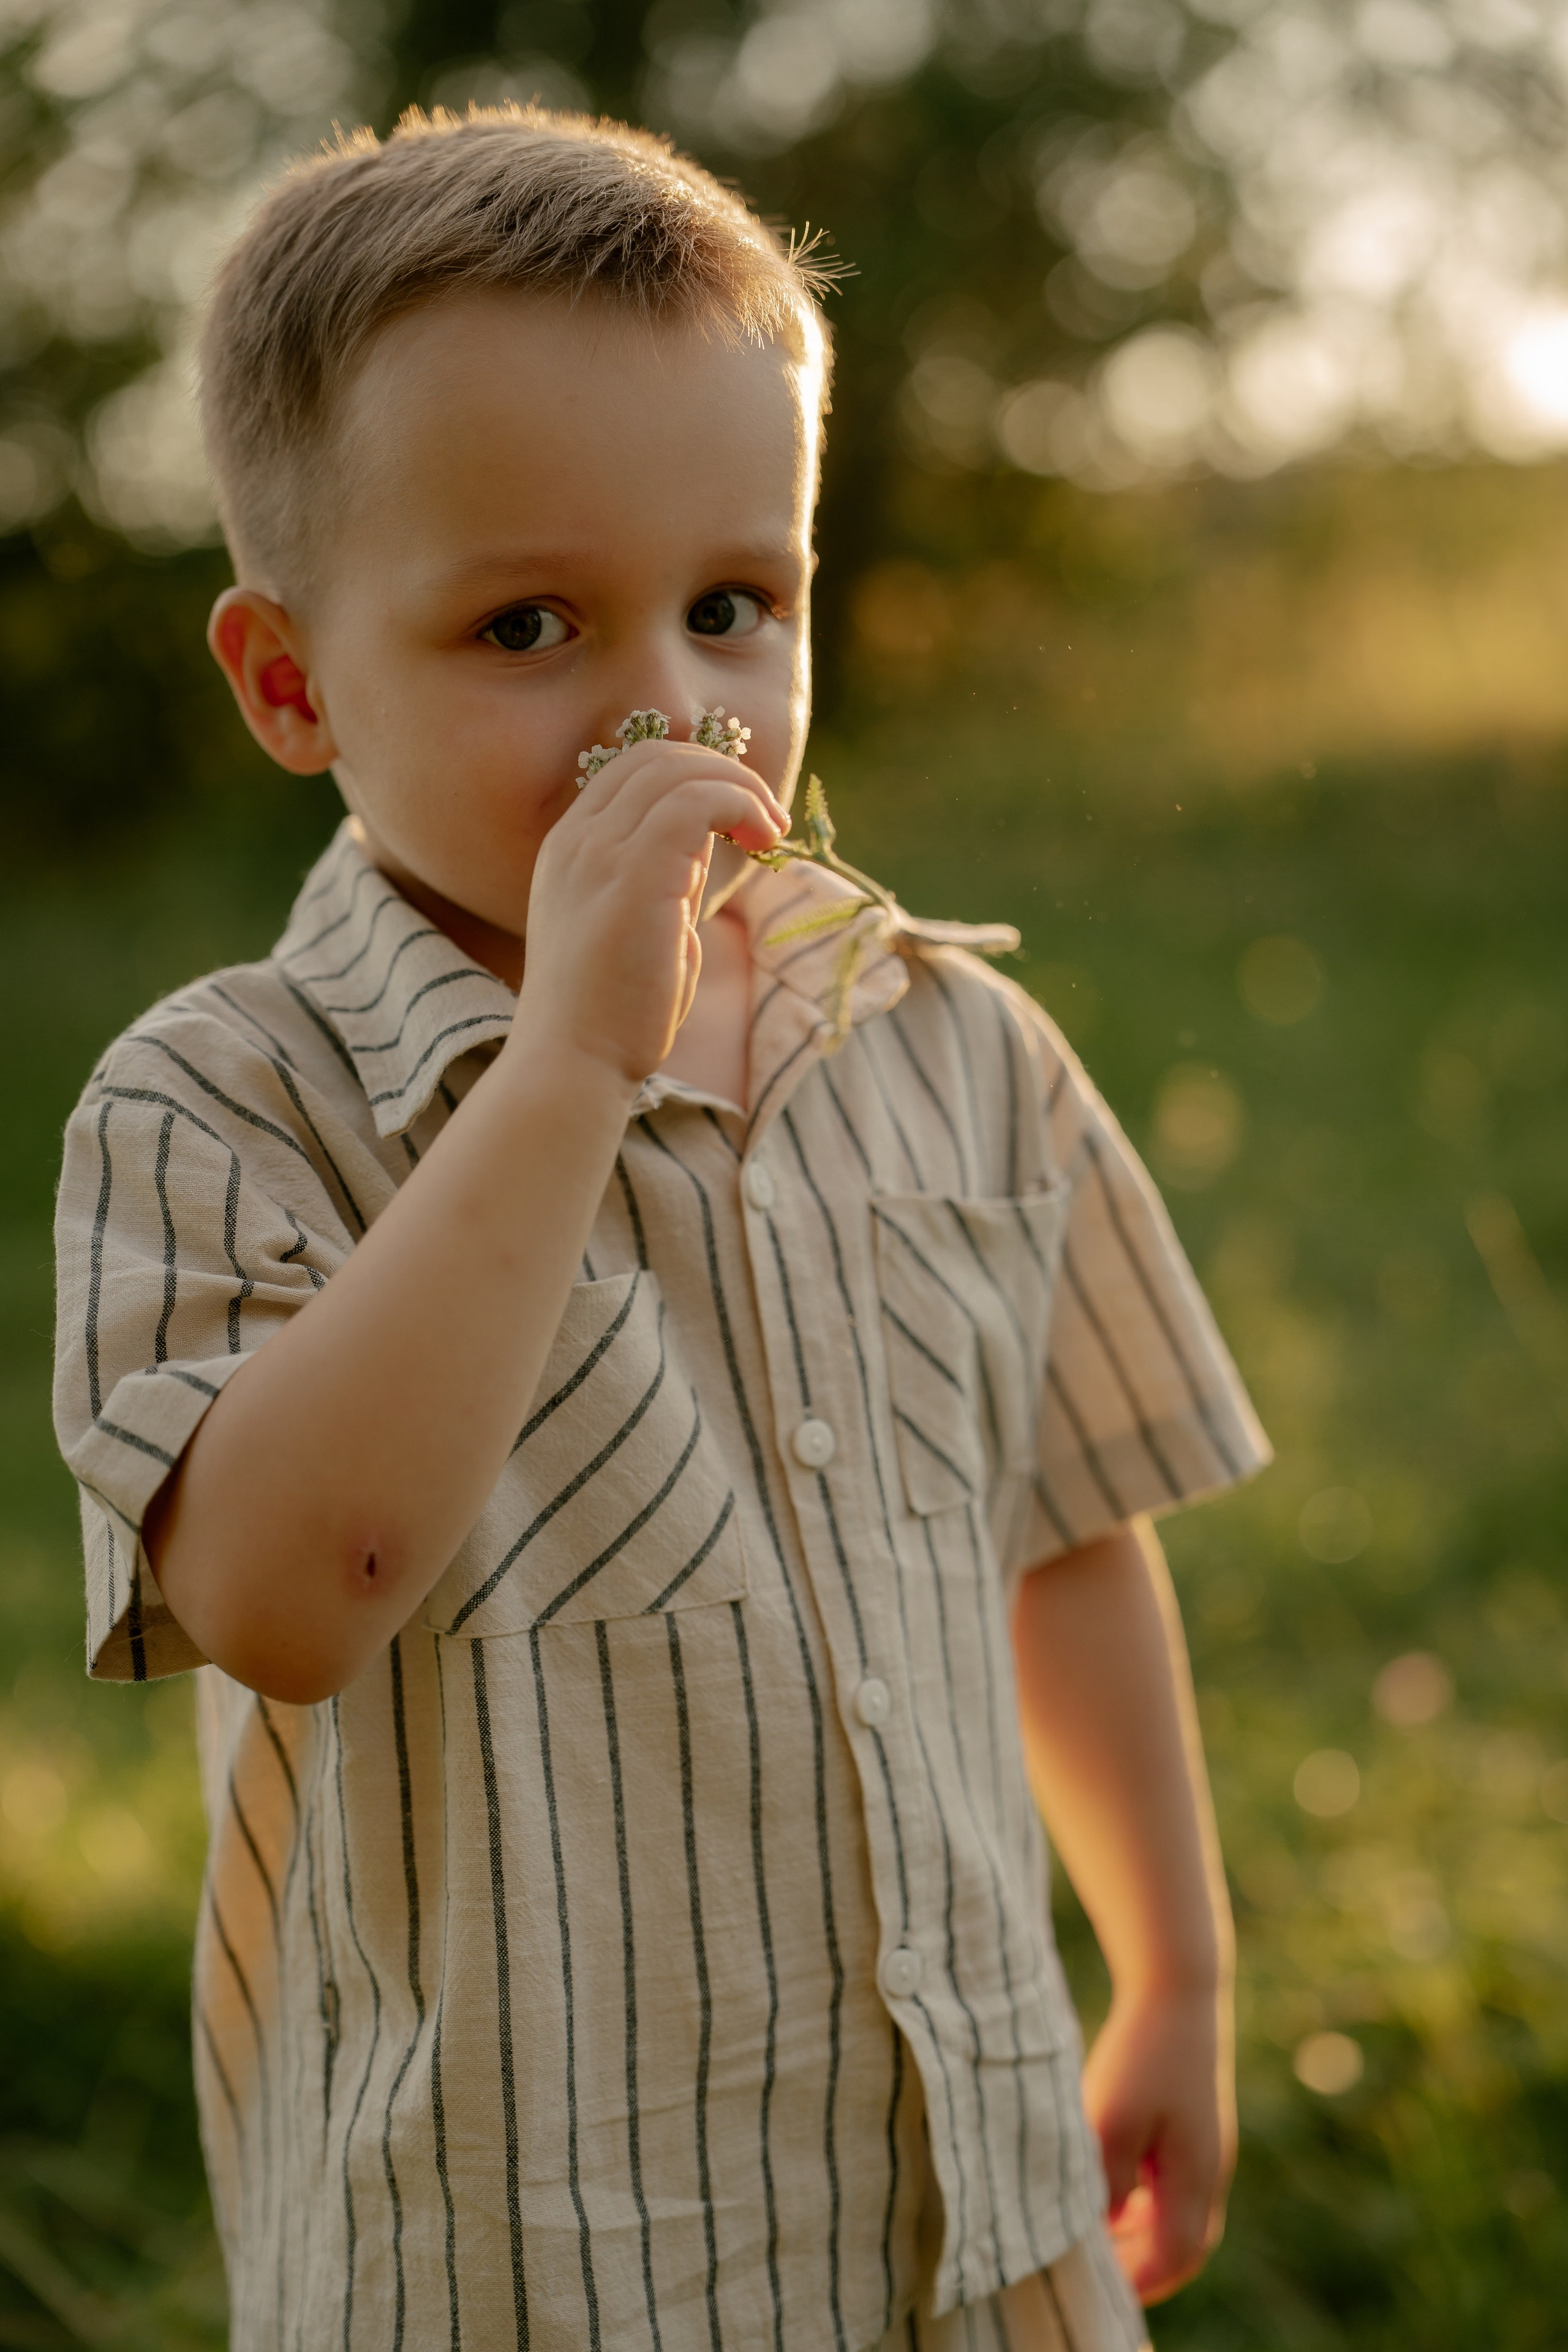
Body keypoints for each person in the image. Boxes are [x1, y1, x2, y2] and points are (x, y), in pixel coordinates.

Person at [51, 106, 1270, 2352]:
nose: (669, 707)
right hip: (532, 2272)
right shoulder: (229, 1100)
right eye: (529, 622)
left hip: (967, 2213)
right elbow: (283, 1592)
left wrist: (1177, 1957)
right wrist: (567, 1072)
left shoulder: (949, 1046)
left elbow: (1070, 1520)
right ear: (294, 683)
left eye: (736, 603)